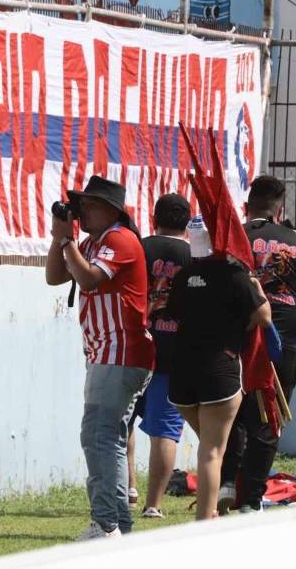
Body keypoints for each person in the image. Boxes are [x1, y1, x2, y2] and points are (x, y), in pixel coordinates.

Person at [46, 176, 153, 540]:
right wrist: (61, 237)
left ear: (111, 209)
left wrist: (66, 239)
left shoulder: (120, 239)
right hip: (107, 351)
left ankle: (106, 523)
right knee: (108, 437)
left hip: (120, 350)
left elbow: (89, 280)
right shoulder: (91, 242)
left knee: (98, 435)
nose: (82, 211)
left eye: (88, 205)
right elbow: (55, 276)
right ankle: (118, 523)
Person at [218, 175, 296, 513]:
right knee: (270, 421)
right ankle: (250, 500)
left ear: (246, 205)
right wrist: (291, 320)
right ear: (280, 209)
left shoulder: (232, 236)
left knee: (233, 414)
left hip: (235, 344)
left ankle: (226, 483)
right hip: (279, 346)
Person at [166, 221, 271, 520]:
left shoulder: (183, 276)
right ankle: (205, 519)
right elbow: (264, 317)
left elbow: (174, 312)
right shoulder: (235, 276)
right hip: (219, 373)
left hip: (182, 374)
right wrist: (252, 280)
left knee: (211, 447)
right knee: (212, 451)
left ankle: (212, 507)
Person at [127, 193, 192, 519]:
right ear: (187, 222)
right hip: (175, 354)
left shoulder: (140, 248)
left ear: (154, 218)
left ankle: (129, 487)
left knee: (120, 421)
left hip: (136, 346)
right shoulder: (194, 255)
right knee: (165, 431)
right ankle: (154, 504)